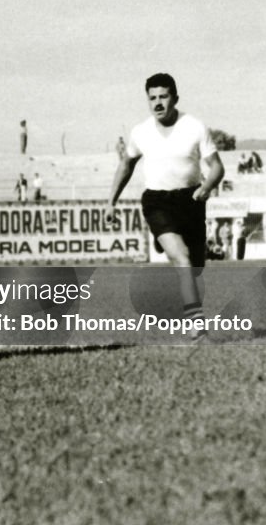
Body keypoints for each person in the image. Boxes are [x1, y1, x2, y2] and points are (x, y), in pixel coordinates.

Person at [108, 73, 225, 340]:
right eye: (152, 98)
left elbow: (217, 167)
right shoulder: (140, 132)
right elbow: (126, 165)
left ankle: (167, 243)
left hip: (191, 200)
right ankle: (195, 320)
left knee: (195, 267)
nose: (158, 103)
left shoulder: (194, 126)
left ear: (175, 98)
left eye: (163, 96)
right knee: (181, 258)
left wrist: (206, 189)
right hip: (157, 201)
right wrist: (111, 202)